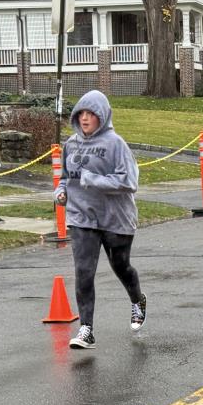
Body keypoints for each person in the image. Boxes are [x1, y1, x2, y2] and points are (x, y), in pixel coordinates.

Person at [55, 90, 146, 350]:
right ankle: (86, 329)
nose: (85, 118)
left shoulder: (116, 144)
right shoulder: (70, 144)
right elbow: (65, 177)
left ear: (102, 116)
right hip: (82, 217)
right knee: (84, 272)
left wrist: (93, 180)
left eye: (91, 114)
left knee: (121, 266)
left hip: (115, 217)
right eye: (81, 113)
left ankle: (137, 299)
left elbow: (129, 182)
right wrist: (60, 192)